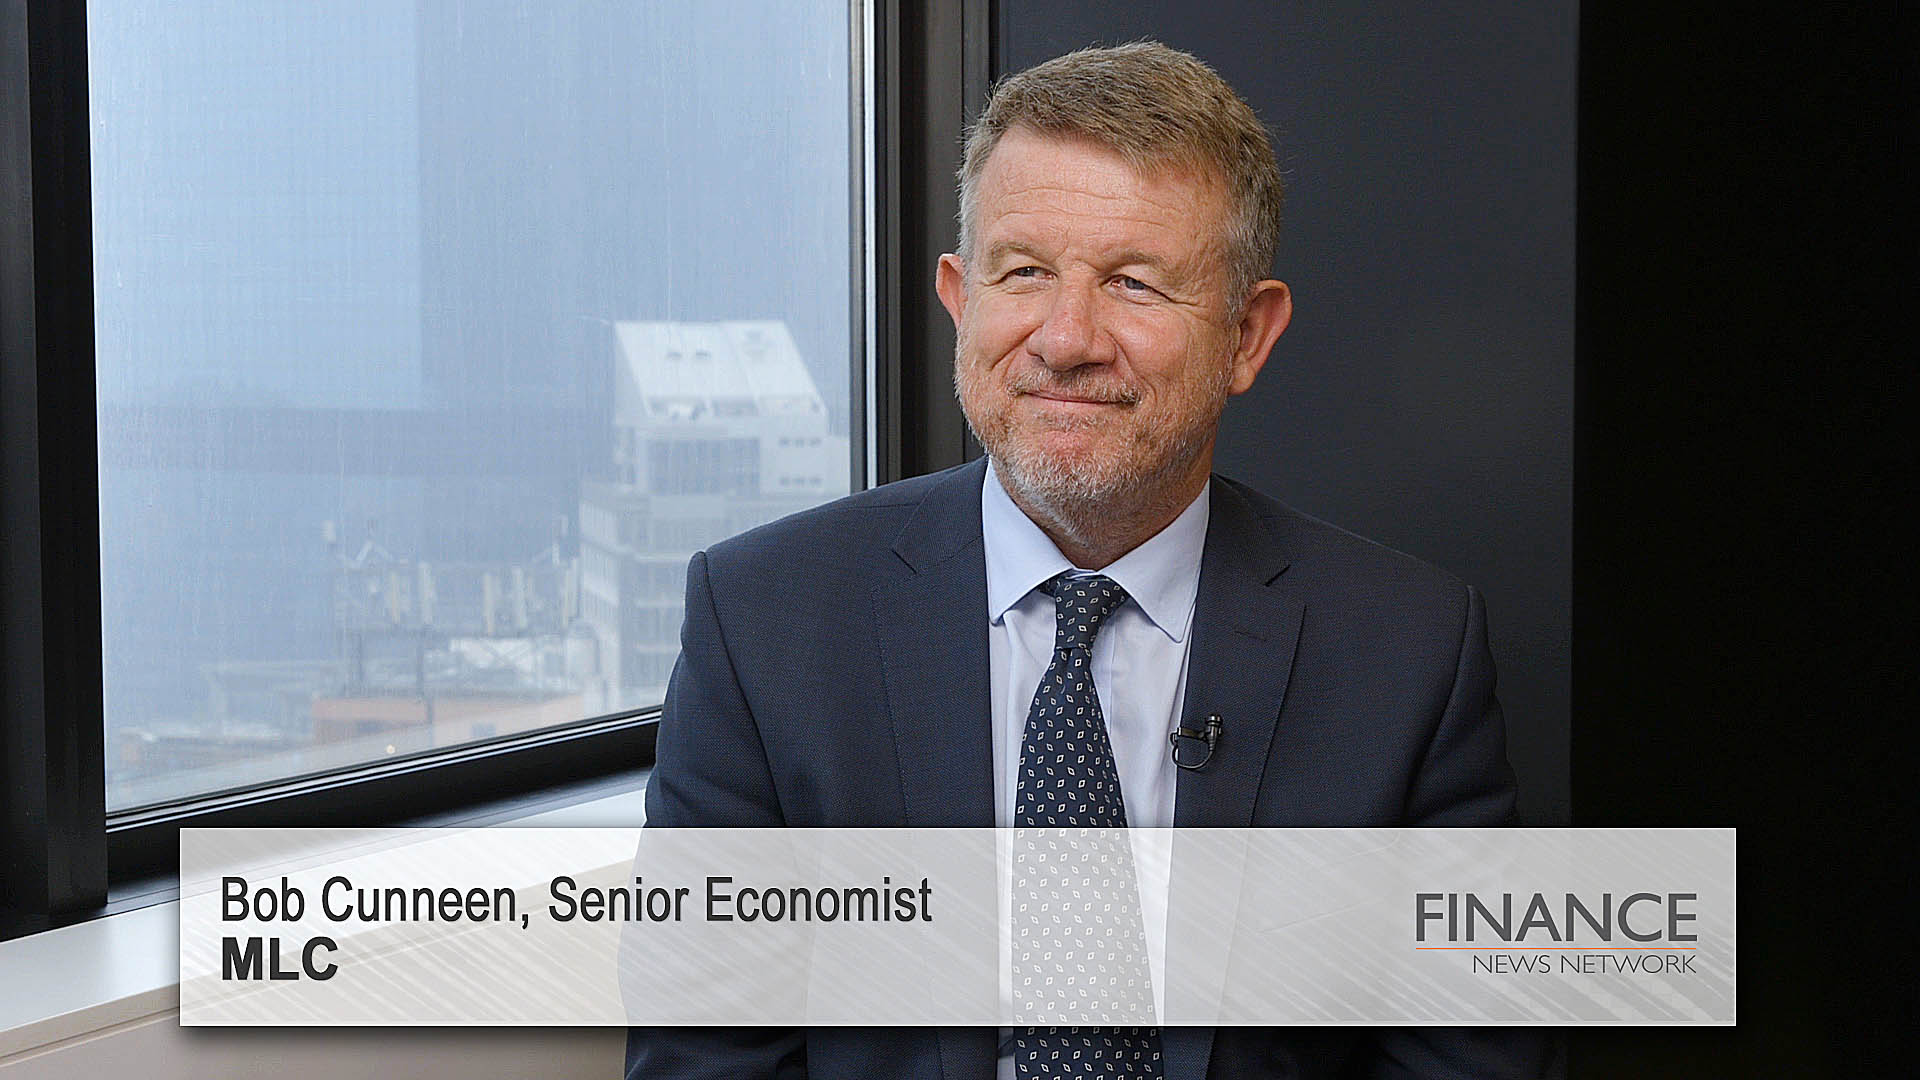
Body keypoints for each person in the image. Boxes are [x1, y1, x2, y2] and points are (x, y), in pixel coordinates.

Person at [628, 42, 1549, 1080]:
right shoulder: (763, 623)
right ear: (959, 299)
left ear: (1247, 336)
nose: (1066, 338)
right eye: (1023, 272)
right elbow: (704, 1054)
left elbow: (1473, 1059)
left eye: (1134, 284)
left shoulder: (1409, 651)